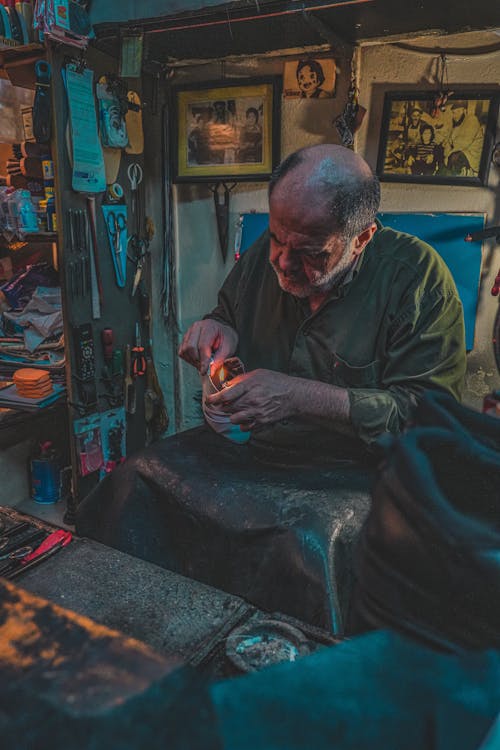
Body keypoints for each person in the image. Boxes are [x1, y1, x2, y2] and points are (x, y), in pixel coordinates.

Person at [179, 144, 466, 461]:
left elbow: (431, 423)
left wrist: (300, 398)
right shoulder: (270, 251)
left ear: (361, 240)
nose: (283, 262)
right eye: (276, 238)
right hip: (254, 453)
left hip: (354, 471)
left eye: (312, 252)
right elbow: (228, 314)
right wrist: (219, 328)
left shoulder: (416, 279)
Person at [443, 100, 484, 175]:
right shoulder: (455, 124)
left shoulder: (472, 120)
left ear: (464, 111)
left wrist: (449, 154)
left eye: (458, 111)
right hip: (459, 150)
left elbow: (464, 143)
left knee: (454, 158)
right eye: (454, 112)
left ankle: (457, 178)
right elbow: (448, 141)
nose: (455, 115)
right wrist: (446, 153)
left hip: (472, 153)